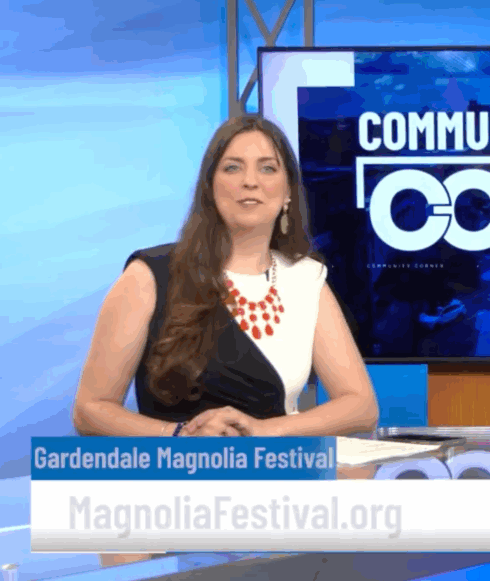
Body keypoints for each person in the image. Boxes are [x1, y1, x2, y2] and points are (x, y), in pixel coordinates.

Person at [72, 115, 379, 438]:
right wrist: (180, 435)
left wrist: (265, 431)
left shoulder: (305, 278)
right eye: (233, 167)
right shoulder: (150, 275)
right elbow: (90, 410)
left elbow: (361, 408)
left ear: (288, 190)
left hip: (278, 475)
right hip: (176, 476)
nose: (250, 181)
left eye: (267, 168)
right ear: (210, 186)